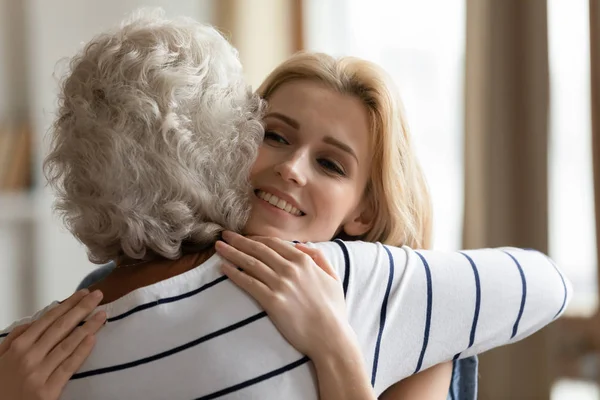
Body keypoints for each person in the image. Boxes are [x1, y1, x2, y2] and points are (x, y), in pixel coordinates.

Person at [0, 10, 570, 400]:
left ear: (363, 213)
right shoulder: (113, 287)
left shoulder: (388, 299)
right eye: (275, 135)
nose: (290, 169)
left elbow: (547, 282)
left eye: (331, 164)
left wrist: (335, 346)